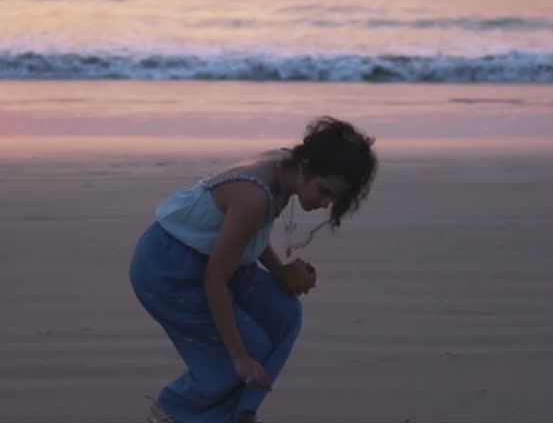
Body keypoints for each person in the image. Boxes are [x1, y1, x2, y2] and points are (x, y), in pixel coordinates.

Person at [129, 116, 378, 423]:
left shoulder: (288, 170)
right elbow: (215, 282)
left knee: (285, 314)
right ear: (306, 166)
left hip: (213, 256)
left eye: (333, 199)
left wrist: (279, 271)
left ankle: (241, 412)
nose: (325, 203)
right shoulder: (254, 194)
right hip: (168, 268)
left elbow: (250, 237)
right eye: (324, 191)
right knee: (245, 352)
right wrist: (239, 357)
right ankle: (172, 410)